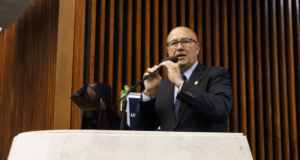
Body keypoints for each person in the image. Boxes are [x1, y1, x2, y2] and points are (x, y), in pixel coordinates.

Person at [135, 26, 233, 132]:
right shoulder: (162, 85)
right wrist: (149, 94)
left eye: (186, 42)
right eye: (173, 43)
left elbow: (220, 109)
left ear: (197, 48)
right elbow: (143, 128)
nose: (179, 47)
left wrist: (180, 83)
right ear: (168, 51)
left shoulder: (216, 74)